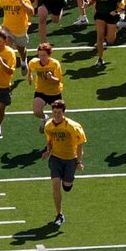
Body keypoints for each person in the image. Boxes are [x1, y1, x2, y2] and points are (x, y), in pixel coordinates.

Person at [40, 97, 88, 232]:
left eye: (59, 112)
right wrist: (47, 152)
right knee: (55, 185)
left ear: (63, 112)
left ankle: (68, 182)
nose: (56, 115)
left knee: (66, 186)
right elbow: (50, 141)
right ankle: (59, 214)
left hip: (70, 159)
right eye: (54, 112)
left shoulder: (72, 127)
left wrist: (78, 162)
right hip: (55, 158)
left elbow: (79, 145)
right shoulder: (48, 126)